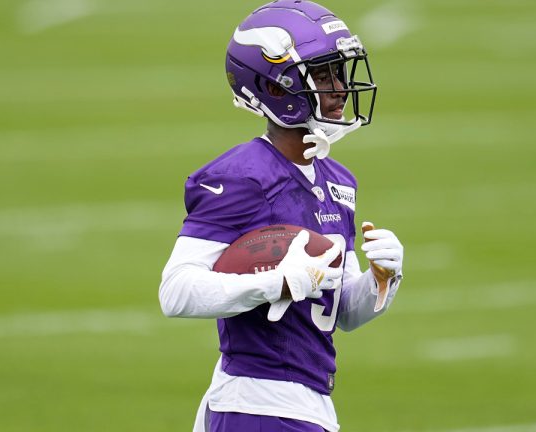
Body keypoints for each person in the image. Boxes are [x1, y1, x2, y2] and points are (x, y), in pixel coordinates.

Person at [158, 1, 404, 431]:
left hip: (307, 400)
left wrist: (380, 280)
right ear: (277, 86)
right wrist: (275, 282)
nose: (340, 89)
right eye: (323, 74)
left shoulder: (337, 180)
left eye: (339, 73)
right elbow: (175, 292)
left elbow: (340, 310)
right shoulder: (241, 176)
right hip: (258, 401)